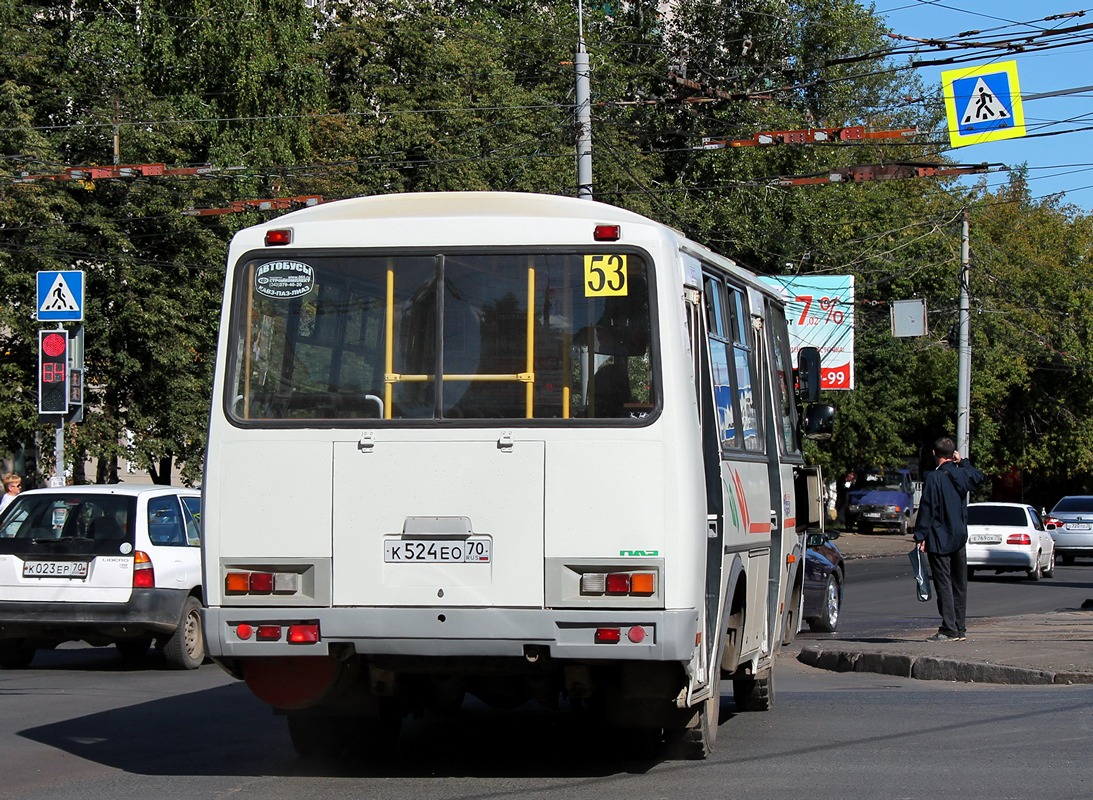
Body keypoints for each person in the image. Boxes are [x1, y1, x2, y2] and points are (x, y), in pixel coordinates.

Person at [913, 437, 985, 642]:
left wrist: (920, 535)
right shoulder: (962, 474)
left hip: (939, 537)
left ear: (934, 454)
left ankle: (949, 629)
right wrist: (963, 462)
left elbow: (928, 507)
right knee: (959, 583)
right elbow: (978, 476)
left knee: (943, 583)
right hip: (959, 536)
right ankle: (960, 627)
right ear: (952, 454)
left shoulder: (934, 478)